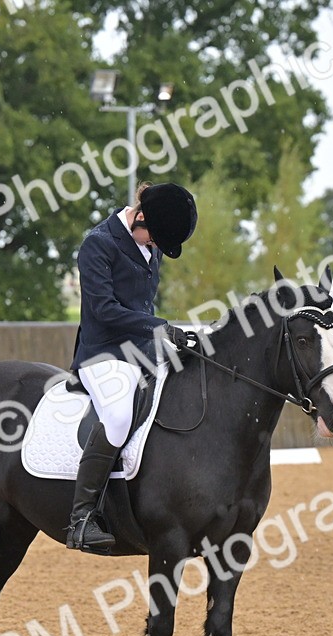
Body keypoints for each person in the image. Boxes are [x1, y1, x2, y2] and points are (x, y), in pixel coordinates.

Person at [65, 181, 197, 554]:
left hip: (142, 349)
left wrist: (171, 337)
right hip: (102, 353)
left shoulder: (149, 244)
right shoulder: (99, 245)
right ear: (140, 216)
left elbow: (142, 305)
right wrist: (159, 327)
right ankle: (82, 517)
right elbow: (105, 311)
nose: (154, 247)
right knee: (119, 416)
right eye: (153, 238)